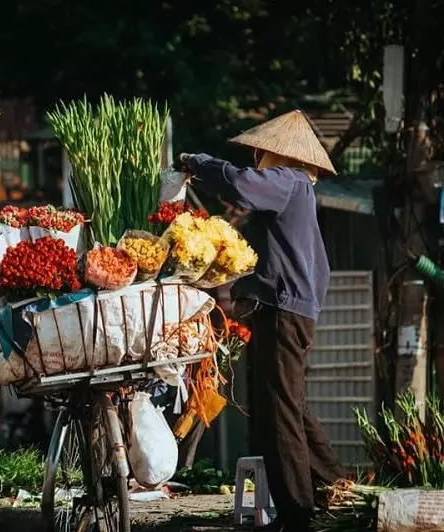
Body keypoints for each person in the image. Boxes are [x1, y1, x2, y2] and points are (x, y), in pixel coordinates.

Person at [179, 110, 347, 531]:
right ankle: (337, 487)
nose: (254, 158)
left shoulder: (288, 181)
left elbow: (239, 184)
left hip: (285, 311)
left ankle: (298, 512)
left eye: (258, 153)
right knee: (291, 405)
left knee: (279, 412)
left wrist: (196, 162)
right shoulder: (295, 191)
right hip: (289, 308)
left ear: (271, 153)